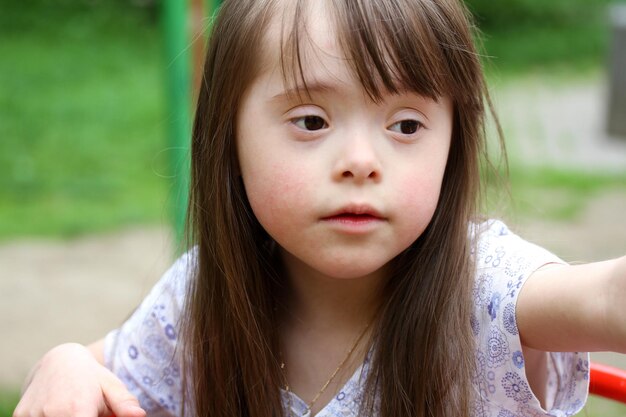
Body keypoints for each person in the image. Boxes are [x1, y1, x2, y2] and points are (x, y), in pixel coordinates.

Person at [13, 0, 626, 416]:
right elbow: (96, 368)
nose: (361, 161)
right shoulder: (200, 298)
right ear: (230, 139)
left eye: (406, 125)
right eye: (312, 120)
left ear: (452, 146)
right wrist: (61, 362)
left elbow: (605, 299)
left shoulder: (486, 287)